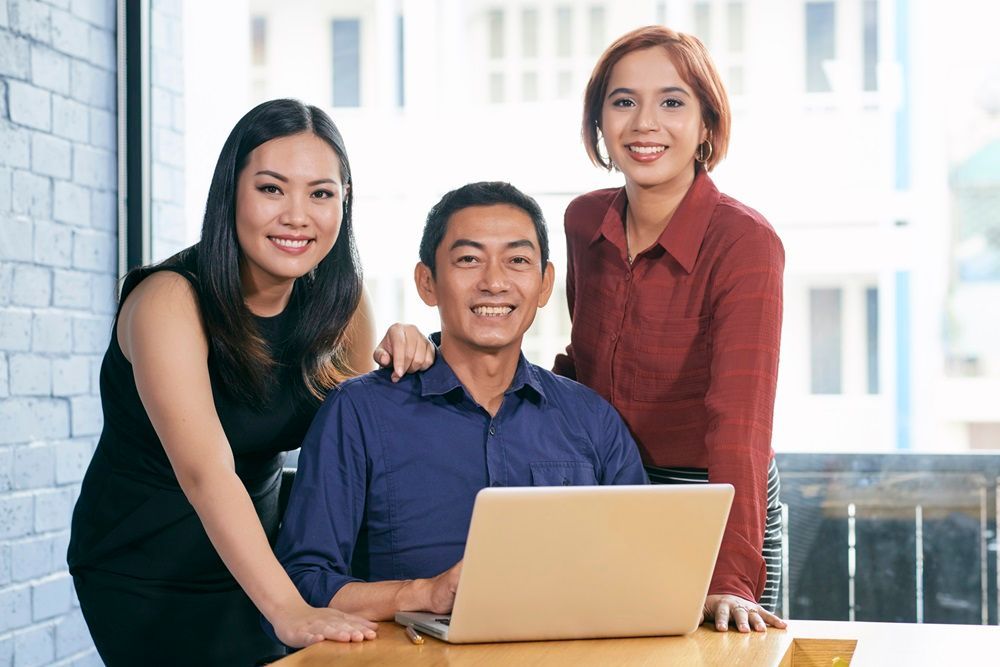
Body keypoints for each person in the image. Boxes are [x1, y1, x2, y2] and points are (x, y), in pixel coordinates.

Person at [67, 99, 436, 665]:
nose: (297, 216)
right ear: (230, 194)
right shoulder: (168, 300)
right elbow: (206, 471)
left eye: (321, 193)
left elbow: (364, 446)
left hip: (264, 562)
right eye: (271, 189)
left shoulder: (340, 302)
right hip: (146, 570)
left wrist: (406, 355)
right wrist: (288, 610)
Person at [275, 181, 647, 621]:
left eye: (518, 261)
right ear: (427, 282)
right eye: (469, 259)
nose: (494, 282)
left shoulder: (593, 420)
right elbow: (304, 582)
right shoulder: (358, 412)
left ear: (545, 284)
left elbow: (643, 573)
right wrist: (423, 594)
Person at [553, 26, 787, 634]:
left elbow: (740, 420)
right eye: (623, 101)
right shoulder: (584, 221)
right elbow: (579, 368)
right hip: (606, 490)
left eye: (672, 101)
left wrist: (730, 577)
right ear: (599, 123)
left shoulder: (745, 241)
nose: (644, 123)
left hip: (710, 497)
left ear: (707, 125)